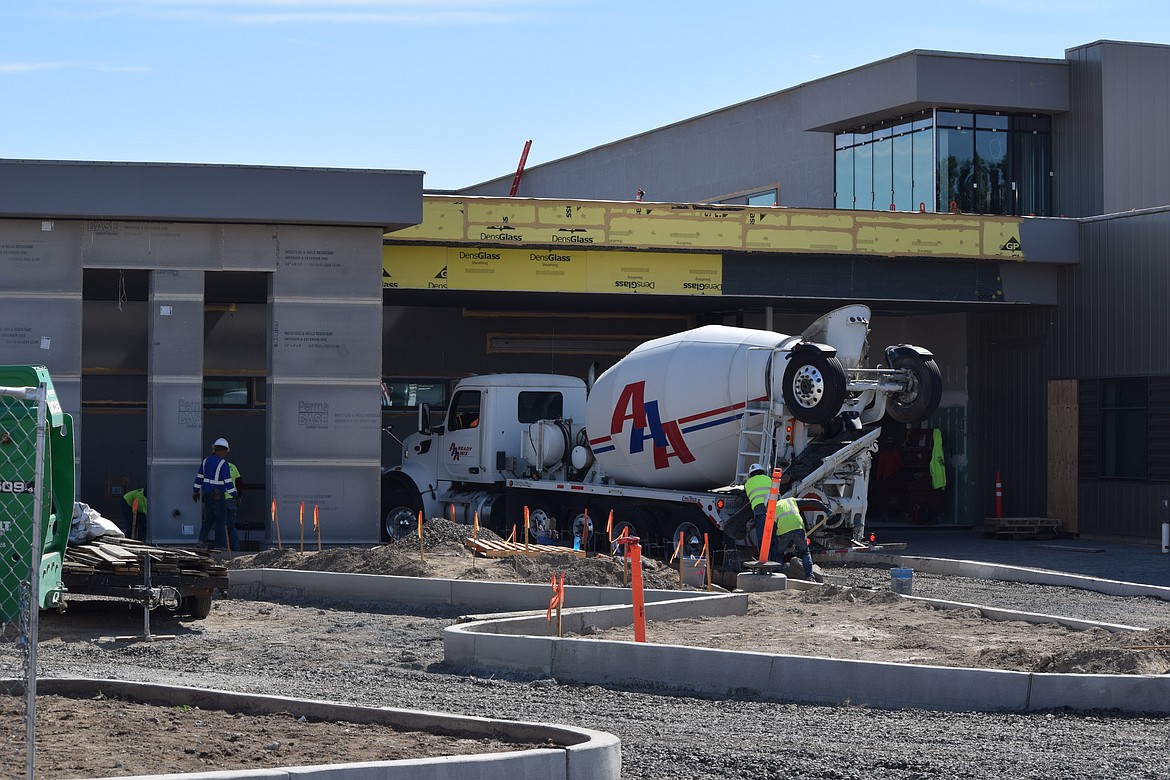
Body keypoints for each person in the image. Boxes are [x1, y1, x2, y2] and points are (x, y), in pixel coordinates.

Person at [192, 437, 236, 550]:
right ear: (224, 450)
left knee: (208, 518)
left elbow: (199, 477)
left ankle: (201, 541)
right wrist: (235, 496)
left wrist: (195, 491)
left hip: (207, 495)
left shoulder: (205, 461)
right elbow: (228, 482)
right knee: (221, 520)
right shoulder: (223, 463)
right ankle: (219, 545)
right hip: (218, 495)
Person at [743, 463, 774, 555]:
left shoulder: (748, 484)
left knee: (762, 538)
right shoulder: (768, 479)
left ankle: (764, 560)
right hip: (772, 510)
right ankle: (775, 561)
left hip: (759, 511)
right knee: (773, 537)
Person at [224, 460, 242, 553]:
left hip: (220, 499)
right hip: (232, 499)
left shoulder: (217, 467)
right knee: (231, 525)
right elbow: (239, 483)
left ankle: (223, 548)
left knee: (221, 525)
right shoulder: (233, 466)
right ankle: (235, 549)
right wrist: (239, 497)